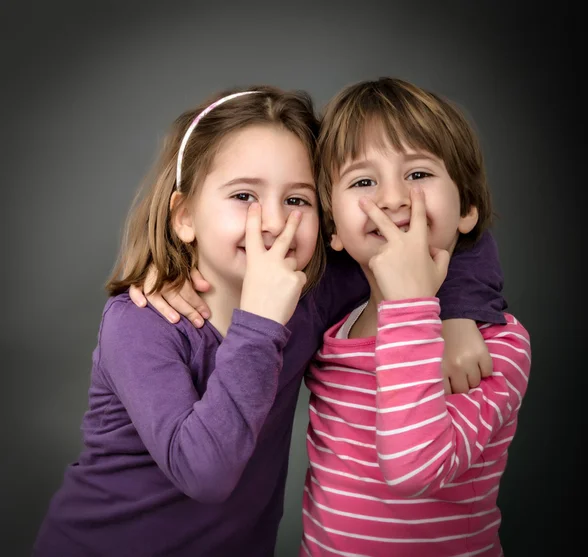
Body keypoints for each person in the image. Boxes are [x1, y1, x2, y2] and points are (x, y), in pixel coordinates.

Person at [34, 84, 507, 557]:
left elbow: (428, 231)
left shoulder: (311, 298)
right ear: (184, 217)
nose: (273, 222)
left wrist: (461, 312)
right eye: (244, 195)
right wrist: (258, 321)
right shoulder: (140, 324)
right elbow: (205, 473)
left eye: (298, 200)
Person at [300, 77, 531, 557]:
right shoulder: (329, 328)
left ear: (467, 208)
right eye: (364, 182)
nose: (392, 198)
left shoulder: (495, 347)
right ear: (333, 229)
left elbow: (414, 469)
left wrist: (413, 305)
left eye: (419, 174)